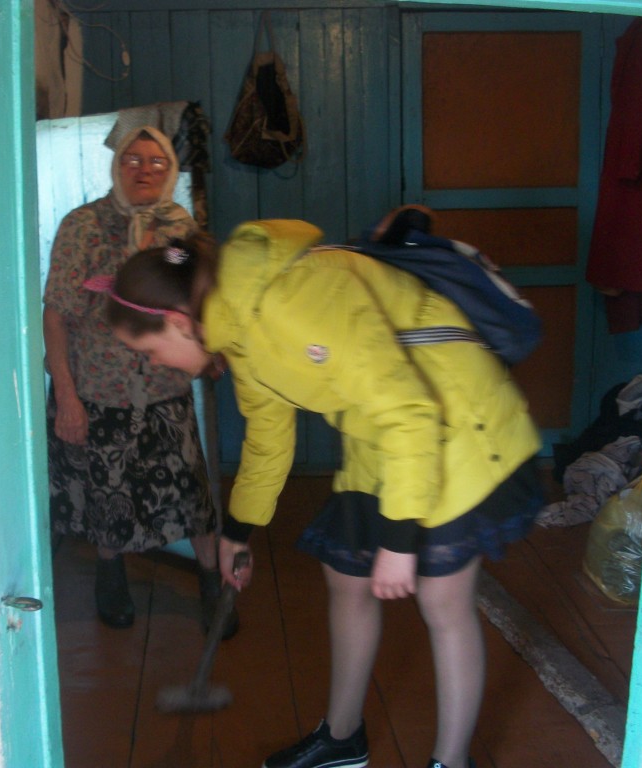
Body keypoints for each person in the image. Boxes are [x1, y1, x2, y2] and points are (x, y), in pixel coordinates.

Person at [105, 212, 544, 768]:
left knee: (442, 599)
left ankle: (451, 761)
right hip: (385, 435)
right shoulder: (237, 328)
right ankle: (342, 739)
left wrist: (399, 540)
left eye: (148, 352)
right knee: (347, 578)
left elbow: (410, 411)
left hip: (456, 424)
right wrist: (238, 533)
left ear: (175, 321)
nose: (154, 365)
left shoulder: (290, 303)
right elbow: (268, 438)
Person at [43, 125, 237, 637]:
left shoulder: (178, 228)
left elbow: (196, 295)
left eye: (156, 161)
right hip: (98, 392)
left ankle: (211, 582)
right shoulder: (83, 226)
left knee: (192, 495)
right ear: (116, 166)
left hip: (164, 392)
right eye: (133, 159)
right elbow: (56, 315)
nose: (144, 170)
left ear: (170, 169)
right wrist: (67, 396)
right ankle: (111, 577)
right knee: (108, 493)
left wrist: (212, 350)